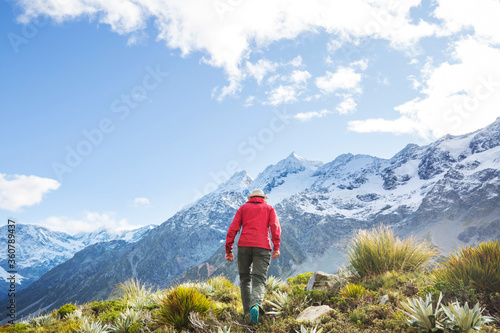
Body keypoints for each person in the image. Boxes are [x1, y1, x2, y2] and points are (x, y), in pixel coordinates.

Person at [225, 189, 281, 325]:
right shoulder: (269, 208)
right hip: (263, 247)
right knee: (259, 280)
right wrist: (276, 248)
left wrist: (229, 249)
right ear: (263, 198)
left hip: (244, 246)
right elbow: (275, 228)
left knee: (245, 280)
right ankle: (255, 305)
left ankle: (246, 314)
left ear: (251, 198)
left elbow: (233, 228)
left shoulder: (243, 208)